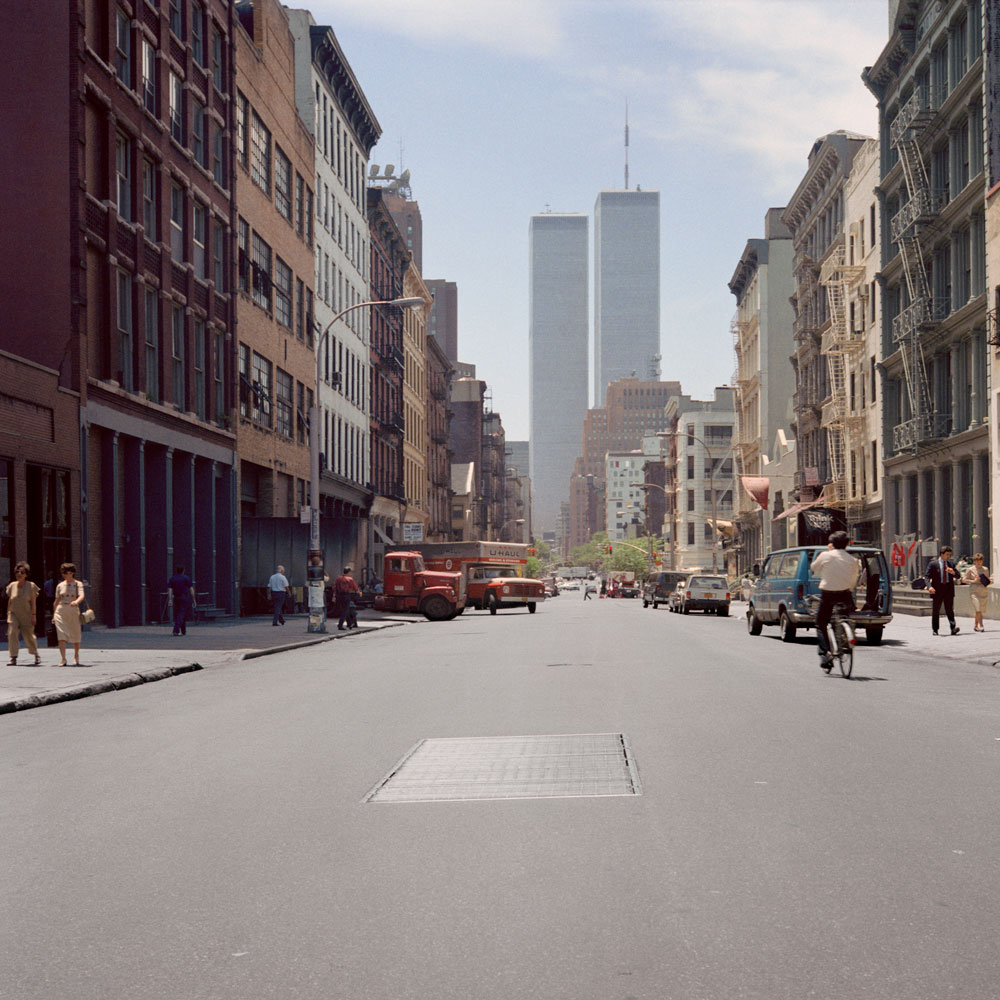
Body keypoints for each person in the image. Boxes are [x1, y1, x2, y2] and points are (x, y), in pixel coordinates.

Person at [810, 531, 861, 670]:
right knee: (845, 617)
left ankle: (825, 652)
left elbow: (814, 567)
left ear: (831, 544)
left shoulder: (826, 555)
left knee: (820, 622)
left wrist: (828, 552)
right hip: (845, 593)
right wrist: (849, 590)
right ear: (846, 545)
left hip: (828, 593)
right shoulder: (852, 560)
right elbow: (854, 579)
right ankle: (845, 639)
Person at [6, 561, 41, 665]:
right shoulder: (12, 585)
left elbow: (34, 603)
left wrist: (34, 616)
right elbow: (10, 600)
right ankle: (13, 657)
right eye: (17, 572)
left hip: (27, 615)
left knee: (29, 636)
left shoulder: (31, 586)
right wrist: (8, 613)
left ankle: (36, 654)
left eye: (22, 572)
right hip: (14, 614)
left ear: (26, 574)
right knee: (12, 633)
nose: (19, 574)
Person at [53, 562, 85, 666]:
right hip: (61, 610)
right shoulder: (60, 585)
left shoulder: (78, 584)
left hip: (73, 610)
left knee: (76, 633)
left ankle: (76, 656)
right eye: (64, 573)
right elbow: (56, 601)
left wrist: (76, 601)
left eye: (68, 572)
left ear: (72, 573)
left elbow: (82, 595)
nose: (66, 575)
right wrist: (54, 614)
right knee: (61, 634)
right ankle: (63, 659)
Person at [925, 545, 960, 636]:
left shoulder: (951, 564)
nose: (948, 556)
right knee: (936, 610)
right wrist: (929, 587)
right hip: (937, 590)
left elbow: (958, 575)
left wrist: (953, 572)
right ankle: (935, 629)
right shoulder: (933, 564)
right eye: (947, 554)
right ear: (941, 554)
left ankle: (953, 628)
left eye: (949, 554)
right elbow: (927, 577)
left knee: (949, 610)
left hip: (948, 589)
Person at [962, 552, 992, 633]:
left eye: (980, 561)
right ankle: (981, 625)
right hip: (974, 592)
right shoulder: (970, 569)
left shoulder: (985, 569)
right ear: (974, 561)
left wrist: (989, 582)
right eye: (977, 561)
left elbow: (987, 579)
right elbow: (963, 579)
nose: (979, 562)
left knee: (979, 610)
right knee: (978, 608)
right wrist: (973, 580)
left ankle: (976, 626)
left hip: (983, 591)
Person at [167, 565, 196, 636]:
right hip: (184, 597)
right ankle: (176, 630)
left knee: (180, 613)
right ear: (183, 571)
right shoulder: (186, 578)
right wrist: (194, 600)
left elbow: (170, 590)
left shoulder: (172, 579)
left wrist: (170, 599)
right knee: (181, 613)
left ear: (176, 571)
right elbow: (191, 589)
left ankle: (183, 630)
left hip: (176, 598)